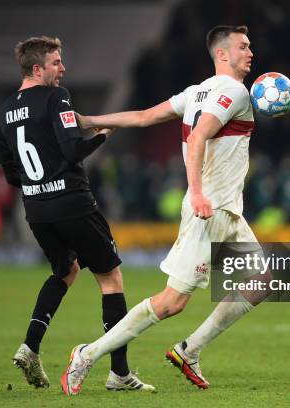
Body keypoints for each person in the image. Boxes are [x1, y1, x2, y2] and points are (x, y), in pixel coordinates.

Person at [61, 25, 272, 395]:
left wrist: (93, 121)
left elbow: (144, 117)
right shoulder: (234, 91)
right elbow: (199, 136)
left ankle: (190, 350)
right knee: (172, 302)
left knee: (263, 280)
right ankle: (87, 354)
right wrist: (197, 192)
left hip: (227, 213)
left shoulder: (197, 92)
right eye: (243, 46)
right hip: (209, 210)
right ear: (222, 54)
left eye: (250, 46)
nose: (250, 52)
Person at [0, 36, 154, 391]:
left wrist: (38, 187)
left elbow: (8, 173)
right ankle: (120, 374)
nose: (62, 69)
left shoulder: (5, 109)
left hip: (36, 210)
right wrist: (101, 136)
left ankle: (31, 345)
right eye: (56, 63)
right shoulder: (57, 97)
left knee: (66, 271)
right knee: (110, 279)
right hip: (73, 203)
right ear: (37, 68)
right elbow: (71, 152)